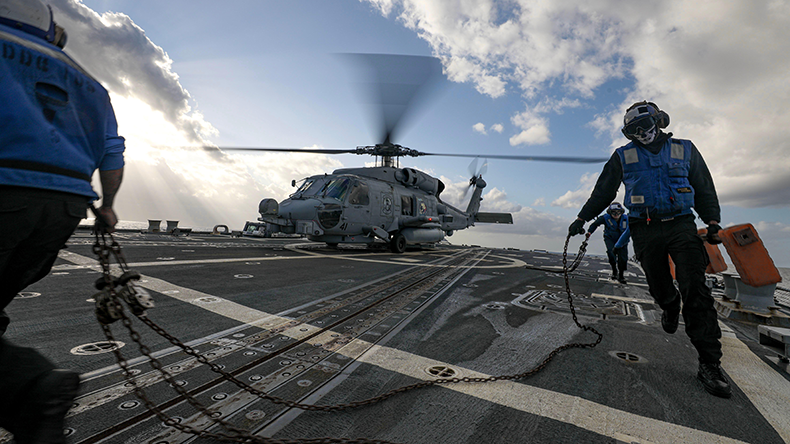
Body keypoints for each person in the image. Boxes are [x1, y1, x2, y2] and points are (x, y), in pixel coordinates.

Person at [0, 0, 126, 441]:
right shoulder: (91, 84)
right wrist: (107, 206)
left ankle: (28, 388)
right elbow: (112, 153)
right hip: (64, 207)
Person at [567, 101, 730, 398]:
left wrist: (713, 221)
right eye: (633, 130)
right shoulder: (622, 156)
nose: (641, 133)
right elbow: (604, 190)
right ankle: (669, 304)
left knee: (697, 289)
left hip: (681, 225)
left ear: (660, 121)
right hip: (645, 228)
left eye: (645, 125)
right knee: (659, 286)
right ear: (628, 133)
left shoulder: (685, 149)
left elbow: (704, 187)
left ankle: (710, 363)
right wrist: (582, 217)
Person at [587, 202, 630, 283]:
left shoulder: (627, 218)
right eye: (614, 212)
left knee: (623, 257)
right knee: (611, 253)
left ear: (621, 212)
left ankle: (621, 275)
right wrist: (589, 232)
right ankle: (614, 270)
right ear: (610, 212)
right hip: (610, 239)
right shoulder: (605, 218)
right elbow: (595, 224)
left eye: (618, 212)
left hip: (623, 240)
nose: (616, 214)